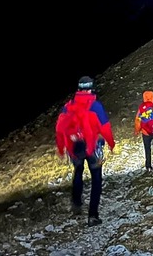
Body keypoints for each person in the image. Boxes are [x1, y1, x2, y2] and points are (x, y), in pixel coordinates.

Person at [56, 76, 116, 227]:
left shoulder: (68, 106)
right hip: (92, 145)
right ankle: (93, 216)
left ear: (79, 89)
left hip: (75, 146)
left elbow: (60, 128)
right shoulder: (96, 106)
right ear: (91, 88)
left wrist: (62, 149)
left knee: (78, 171)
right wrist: (111, 144)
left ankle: (76, 203)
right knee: (96, 179)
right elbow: (105, 128)